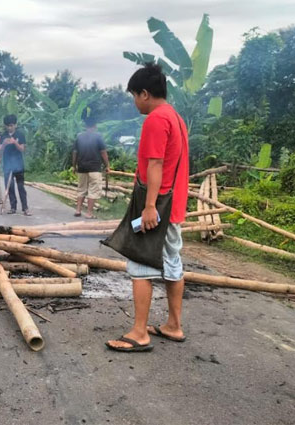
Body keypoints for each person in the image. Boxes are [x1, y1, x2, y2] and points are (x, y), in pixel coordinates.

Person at [105, 63, 190, 353]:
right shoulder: (176, 118)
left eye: (134, 95)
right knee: (172, 264)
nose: (134, 101)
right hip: (174, 204)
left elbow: (155, 165)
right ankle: (173, 325)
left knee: (141, 264)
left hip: (158, 205)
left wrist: (150, 207)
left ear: (144, 93)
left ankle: (139, 332)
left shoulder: (156, 120)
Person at [72, 116, 110, 218]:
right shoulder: (98, 137)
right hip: (94, 168)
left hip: (82, 167)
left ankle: (78, 210)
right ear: (95, 126)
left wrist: (74, 166)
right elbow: (103, 152)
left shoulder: (79, 136)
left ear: (85, 126)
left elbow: (75, 153)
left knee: (81, 189)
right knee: (93, 190)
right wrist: (107, 166)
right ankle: (89, 213)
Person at [1, 114, 30, 215]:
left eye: (11, 125)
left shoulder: (20, 135)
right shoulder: (3, 136)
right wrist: (4, 144)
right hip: (7, 165)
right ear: (5, 126)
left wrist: (15, 143)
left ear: (15, 125)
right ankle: (13, 207)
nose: (9, 127)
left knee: (21, 186)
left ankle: (25, 208)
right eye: (8, 125)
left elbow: (22, 149)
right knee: (10, 187)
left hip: (18, 165)